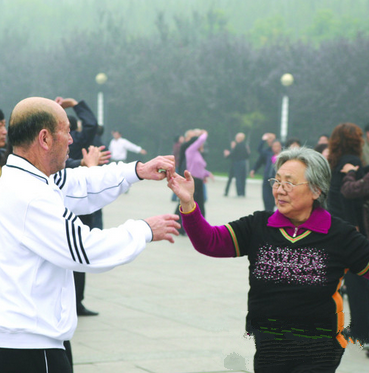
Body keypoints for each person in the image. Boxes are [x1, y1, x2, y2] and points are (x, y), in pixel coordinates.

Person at [0, 97, 180, 373]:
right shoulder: (31, 195)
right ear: (45, 138)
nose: (72, 140)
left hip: (30, 338)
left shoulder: (24, 178)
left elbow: (79, 183)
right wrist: (144, 229)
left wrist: (136, 171)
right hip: (30, 347)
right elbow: (85, 250)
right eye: (67, 131)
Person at [168, 146, 369, 372]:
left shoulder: (339, 235)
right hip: (269, 346)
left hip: (319, 349)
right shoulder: (258, 226)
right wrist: (188, 203)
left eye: (289, 183)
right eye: (277, 181)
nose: (279, 190)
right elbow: (210, 241)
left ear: (316, 190)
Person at [327, 122, 369, 349]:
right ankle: (363, 329)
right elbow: (351, 198)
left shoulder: (335, 160)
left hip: (334, 222)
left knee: (342, 280)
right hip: (348, 226)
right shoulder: (351, 161)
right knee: (357, 280)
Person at [250, 135, 281, 211]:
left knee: (276, 199)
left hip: (278, 181)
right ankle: (268, 215)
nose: (276, 148)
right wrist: (254, 170)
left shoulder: (284, 155)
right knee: (266, 198)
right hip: (267, 179)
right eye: (274, 146)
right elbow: (259, 157)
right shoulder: (268, 153)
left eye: (277, 146)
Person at [224, 133, 250, 197]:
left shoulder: (237, 146)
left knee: (238, 178)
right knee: (242, 178)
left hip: (236, 163)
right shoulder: (244, 146)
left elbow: (233, 154)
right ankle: (242, 192)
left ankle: (238, 192)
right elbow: (247, 155)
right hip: (243, 163)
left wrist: (227, 154)